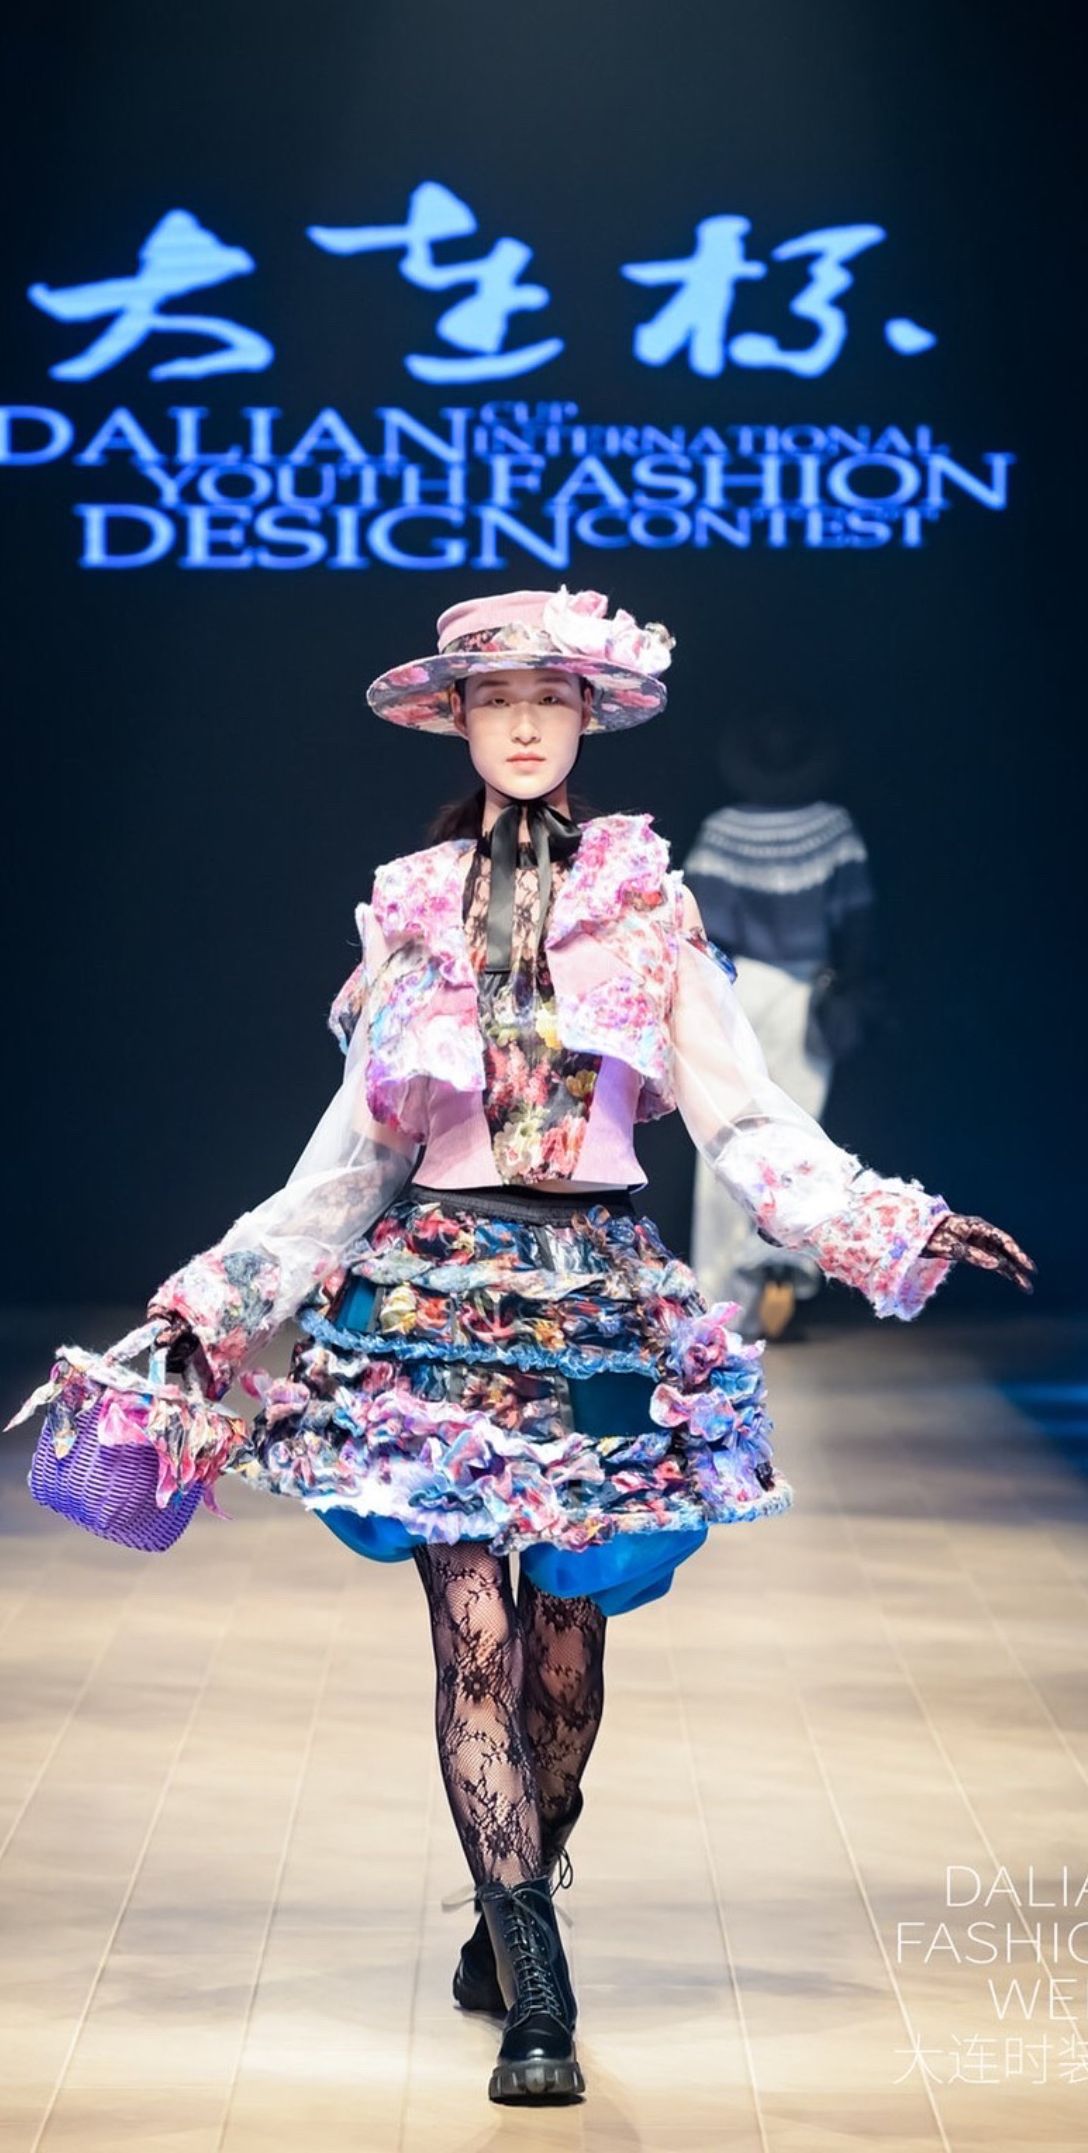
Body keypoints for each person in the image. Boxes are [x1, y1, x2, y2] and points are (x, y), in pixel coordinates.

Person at [141, 586, 1033, 2107]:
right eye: (497, 701)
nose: (525, 725)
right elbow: (347, 1160)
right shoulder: (410, 909)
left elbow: (743, 1116)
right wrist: (210, 1306)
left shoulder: (643, 903)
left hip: (600, 1300)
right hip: (429, 1307)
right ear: (458, 721)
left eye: (550, 701)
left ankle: (511, 1911)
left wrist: (894, 1221)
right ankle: (539, 1995)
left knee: (563, 1658)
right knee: (474, 1643)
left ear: (588, 720)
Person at [683, 691, 884, 1341]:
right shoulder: (832, 827)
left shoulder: (722, 830)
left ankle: (723, 1296)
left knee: (727, 1135)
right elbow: (857, 921)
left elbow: (699, 926)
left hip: (738, 990)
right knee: (797, 1139)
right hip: (804, 990)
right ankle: (778, 1270)